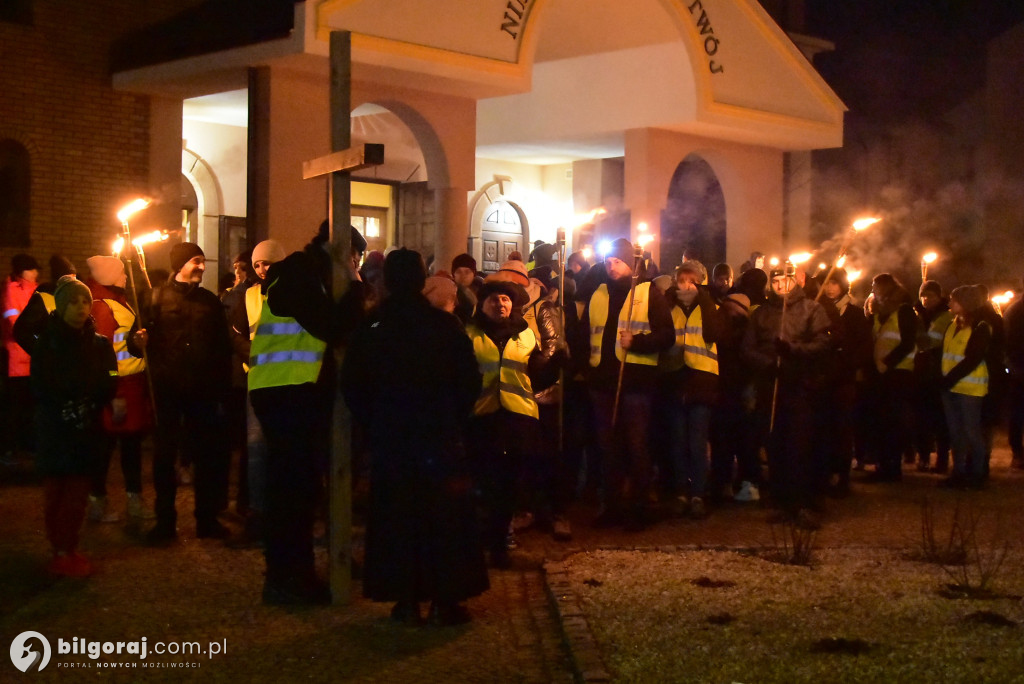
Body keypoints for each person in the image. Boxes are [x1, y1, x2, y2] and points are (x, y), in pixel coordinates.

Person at [342, 248, 488, 626]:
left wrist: (374, 423)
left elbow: (353, 384)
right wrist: (451, 418)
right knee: (443, 520)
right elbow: (469, 380)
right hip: (437, 437)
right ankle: (445, 599)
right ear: (422, 281)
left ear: (387, 281)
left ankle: (404, 599)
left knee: (396, 519)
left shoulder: (373, 326)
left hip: (392, 438)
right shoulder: (443, 326)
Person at [248, 243, 345, 605]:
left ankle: (287, 574)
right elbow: (331, 326)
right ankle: (289, 577)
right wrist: (352, 294)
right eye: (353, 258)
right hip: (288, 393)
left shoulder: (291, 278)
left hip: (282, 392)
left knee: (292, 491)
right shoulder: (300, 276)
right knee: (293, 494)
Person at [576, 238, 674, 530]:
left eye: (617, 261)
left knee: (636, 447)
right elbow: (584, 335)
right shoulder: (599, 293)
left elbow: (667, 336)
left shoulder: (648, 293)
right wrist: (584, 369)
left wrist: (638, 342)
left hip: (635, 384)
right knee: (609, 449)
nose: (611, 267)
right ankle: (613, 506)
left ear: (630, 264)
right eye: (608, 262)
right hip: (603, 384)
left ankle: (640, 509)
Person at [141, 242, 232, 543]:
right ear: (179, 264)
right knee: (165, 457)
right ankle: (165, 523)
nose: (202, 267)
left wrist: (221, 389)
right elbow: (137, 340)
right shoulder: (154, 299)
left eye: (203, 261)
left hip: (202, 392)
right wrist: (135, 339)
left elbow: (221, 348)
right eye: (196, 261)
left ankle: (206, 521)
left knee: (206, 458)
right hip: (167, 391)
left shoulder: (210, 302)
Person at [31, 276, 117, 576]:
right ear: (62, 305)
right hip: (56, 428)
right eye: (73, 301)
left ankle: (69, 546)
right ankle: (59, 549)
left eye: (85, 301)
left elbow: (109, 377)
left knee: (77, 494)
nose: (81, 307)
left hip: (86, 429)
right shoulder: (48, 342)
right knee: (56, 492)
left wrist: (104, 397)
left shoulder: (99, 343)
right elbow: (41, 385)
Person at [742, 262, 831, 529]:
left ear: (796, 282)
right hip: (771, 385)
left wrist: (792, 351)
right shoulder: (762, 314)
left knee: (800, 445)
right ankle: (781, 501)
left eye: (785, 281)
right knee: (775, 444)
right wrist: (767, 363)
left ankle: (802, 502)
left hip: (800, 386)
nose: (781, 287)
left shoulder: (812, 309)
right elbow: (747, 349)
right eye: (776, 282)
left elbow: (823, 343)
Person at [83, 255, 154, 523]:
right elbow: (104, 355)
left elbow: (124, 345)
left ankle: (129, 502)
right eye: (122, 272)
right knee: (108, 448)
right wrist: (115, 394)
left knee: (129, 448)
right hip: (119, 388)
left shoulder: (116, 301)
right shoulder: (102, 306)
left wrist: (137, 340)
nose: (126, 277)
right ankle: (99, 503)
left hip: (130, 386)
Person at [660, 260, 722, 518]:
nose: (686, 285)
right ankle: (680, 493)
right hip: (675, 380)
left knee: (697, 443)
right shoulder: (669, 307)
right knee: (677, 442)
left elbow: (714, 333)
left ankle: (697, 493)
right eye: (682, 280)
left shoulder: (712, 307)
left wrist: (705, 302)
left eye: (691, 281)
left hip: (701, 382)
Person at [816, 268, 872, 497]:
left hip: (844, 378)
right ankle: (825, 473)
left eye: (834, 283)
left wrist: (847, 361)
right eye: (826, 283)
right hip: (822, 377)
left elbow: (864, 345)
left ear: (843, 285)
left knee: (842, 428)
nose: (830, 288)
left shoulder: (854, 313)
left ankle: (843, 477)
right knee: (824, 427)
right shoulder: (817, 309)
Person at [939, 285, 992, 489]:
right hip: (950, 386)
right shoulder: (953, 324)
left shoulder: (980, 326)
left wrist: (949, 378)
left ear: (966, 303)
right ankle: (958, 472)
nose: (950, 303)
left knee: (971, 432)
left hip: (970, 388)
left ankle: (977, 475)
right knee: (956, 433)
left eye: (954, 300)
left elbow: (973, 358)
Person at [867, 273, 918, 482]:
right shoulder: (879, 312)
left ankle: (893, 466)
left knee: (894, 422)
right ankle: (882, 464)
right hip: (881, 375)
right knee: (881, 421)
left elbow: (907, 343)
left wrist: (886, 362)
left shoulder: (904, 311)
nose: (873, 289)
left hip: (899, 374)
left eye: (875, 286)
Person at [2, 253, 40, 463]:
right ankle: (8, 448)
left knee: (29, 406)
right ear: (23, 270)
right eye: (33, 268)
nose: (36, 272)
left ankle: (26, 445)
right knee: (14, 407)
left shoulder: (35, 290)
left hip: (32, 358)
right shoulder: (11, 290)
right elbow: (14, 322)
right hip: (17, 359)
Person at [913, 280, 953, 473]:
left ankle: (942, 458)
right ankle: (923, 457)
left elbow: (932, 342)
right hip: (921, 374)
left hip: (938, 372)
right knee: (922, 419)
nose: (926, 299)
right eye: (923, 295)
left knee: (940, 419)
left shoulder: (946, 316)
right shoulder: (919, 315)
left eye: (931, 295)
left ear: (939, 297)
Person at [1004, 286, 1024, 470]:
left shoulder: (1014, 309)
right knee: (1017, 413)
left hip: (1017, 367)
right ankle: (1018, 453)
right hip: (1020, 369)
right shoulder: (1016, 310)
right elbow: (1008, 340)